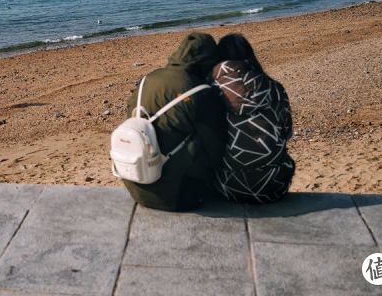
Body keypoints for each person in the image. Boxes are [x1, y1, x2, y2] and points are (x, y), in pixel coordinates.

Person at [120, 32, 226, 212]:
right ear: (209, 63)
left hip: (136, 187)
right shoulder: (202, 92)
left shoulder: (148, 79)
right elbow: (215, 149)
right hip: (178, 197)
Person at [210, 34, 295, 204]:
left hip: (227, 186)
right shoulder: (274, 88)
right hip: (274, 185)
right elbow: (287, 132)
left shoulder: (212, 91)